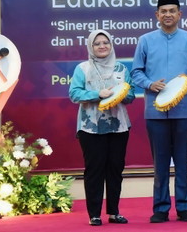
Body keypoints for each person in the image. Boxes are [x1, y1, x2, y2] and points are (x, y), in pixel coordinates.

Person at [131, 0, 187, 223]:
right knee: (160, 164)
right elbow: (136, 72)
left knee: (183, 162)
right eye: (163, 11)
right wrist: (150, 84)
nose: (168, 15)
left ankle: (184, 207)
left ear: (180, 14)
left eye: (172, 11)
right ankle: (160, 208)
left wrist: (186, 79)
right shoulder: (146, 40)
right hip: (155, 112)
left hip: (184, 110)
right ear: (157, 15)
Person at [68, 29, 135, 226]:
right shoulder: (83, 68)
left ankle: (114, 212)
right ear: (91, 47)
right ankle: (94, 215)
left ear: (111, 45)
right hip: (91, 128)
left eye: (105, 42)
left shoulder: (121, 68)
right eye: (97, 43)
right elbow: (74, 94)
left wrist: (121, 94)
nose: (102, 46)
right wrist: (98, 94)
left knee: (115, 169)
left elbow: (131, 95)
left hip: (119, 126)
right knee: (94, 170)